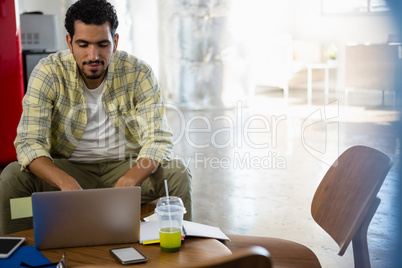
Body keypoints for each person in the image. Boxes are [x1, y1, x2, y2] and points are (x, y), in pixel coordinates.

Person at [0, 0, 192, 235]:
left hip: (126, 166)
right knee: (11, 178)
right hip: (70, 168)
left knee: (177, 172)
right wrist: (65, 182)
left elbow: (159, 139)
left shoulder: (138, 72)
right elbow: (30, 143)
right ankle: (18, 249)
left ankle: (181, 247)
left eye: (103, 44)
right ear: (70, 42)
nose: (93, 56)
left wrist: (130, 179)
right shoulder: (48, 72)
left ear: (116, 42)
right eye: (83, 44)